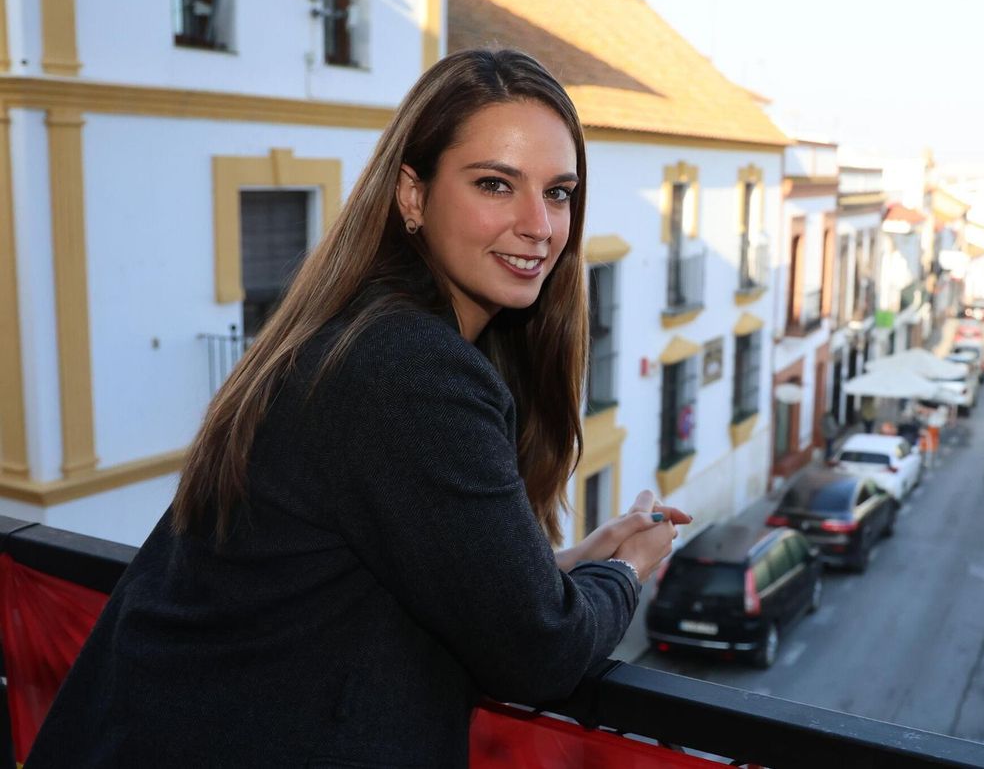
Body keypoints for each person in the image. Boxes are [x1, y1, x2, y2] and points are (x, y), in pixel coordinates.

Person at [24, 49, 689, 768]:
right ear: (412, 194)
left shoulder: (363, 336)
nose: (540, 225)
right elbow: (540, 652)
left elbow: (397, 585)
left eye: (558, 193)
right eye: (496, 184)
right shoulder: (409, 369)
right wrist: (622, 575)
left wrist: (563, 568)